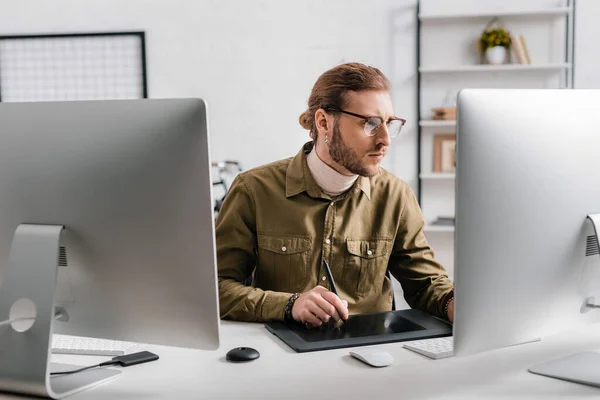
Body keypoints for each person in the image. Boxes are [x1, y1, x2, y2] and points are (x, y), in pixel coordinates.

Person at [216, 62, 454, 327]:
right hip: (280, 353)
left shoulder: (396, 195)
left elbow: (426, 285)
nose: (385, 139)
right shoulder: (253, 190)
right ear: (323, 122)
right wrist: (288, 304)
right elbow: (216, 288)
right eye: (371, 123)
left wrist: (455, 304)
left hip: (371, 355)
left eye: (389, 123)